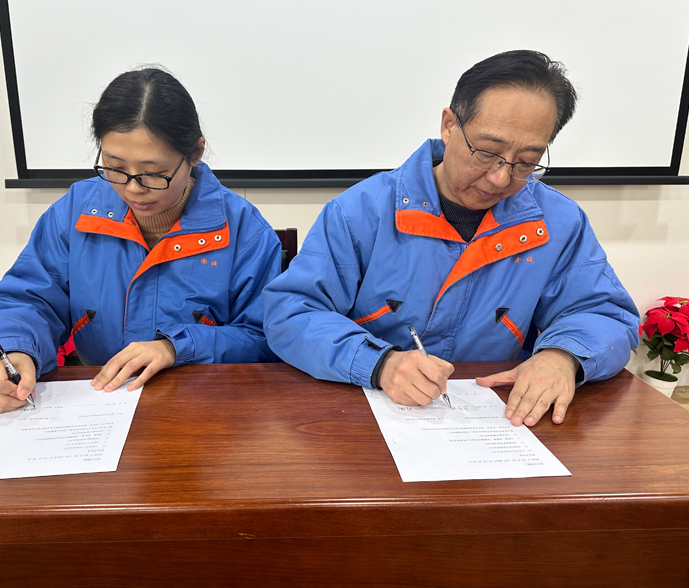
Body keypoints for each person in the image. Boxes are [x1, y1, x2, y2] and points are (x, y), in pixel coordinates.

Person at [264, 50, 639, 427]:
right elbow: (290, 313)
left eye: (526, 162)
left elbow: (606, 313)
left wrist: (563, 357)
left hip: (495, 422)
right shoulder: (361, 212)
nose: (500, 178)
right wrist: (379, 364)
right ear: (448, 125)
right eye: (487, 152)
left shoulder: (558, 222)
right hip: (365, 419)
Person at [0, 67, 282, 413]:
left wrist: (177, 347)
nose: (133, 188)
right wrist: (13, 349)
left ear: (195, 153)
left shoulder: (244, 231)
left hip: (206, 410)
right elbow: (25, 300)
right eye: (115, 167)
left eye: (154, 173)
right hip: (100, 404)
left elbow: (264, 339)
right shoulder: (76, 212)